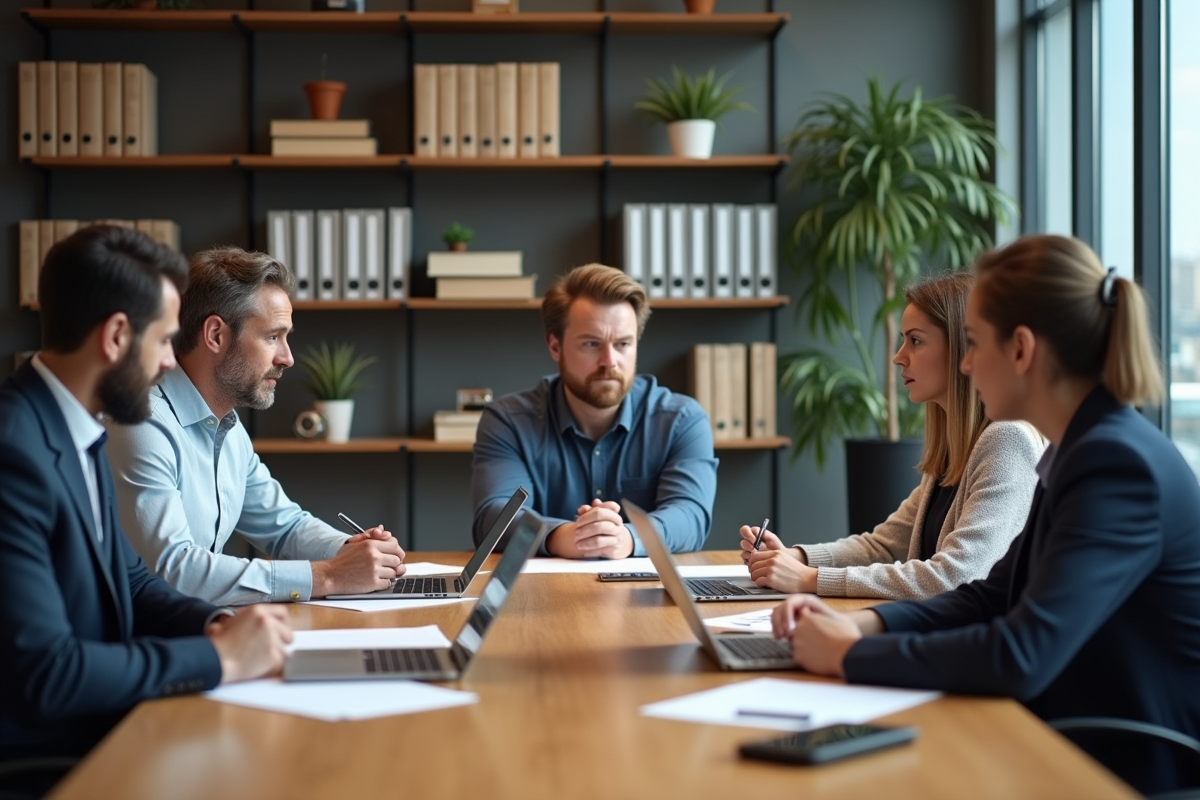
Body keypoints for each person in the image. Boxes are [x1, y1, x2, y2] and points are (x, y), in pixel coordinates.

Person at [769, 235, 1200, 794]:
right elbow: (990, 595)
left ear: (1021, 350)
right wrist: (861, 625)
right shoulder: (1079, 448)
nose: (966, 364)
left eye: (973, 344)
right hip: (1066, 734)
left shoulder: (1115, 463)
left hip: (1122, 765)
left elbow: (1021, 654)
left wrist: (852, 654)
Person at [0, 226, 292, 773]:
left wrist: (213, 625)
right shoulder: (15, 452)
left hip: (100, 723)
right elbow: (46, 673)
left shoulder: (72, 430)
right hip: (47, 754)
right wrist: (218, 658)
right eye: (162, 340)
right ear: (115, 337)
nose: (167, 364)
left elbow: (130, 580)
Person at [106, 247, 405, 606]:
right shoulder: (142, 423)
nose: (288, 357)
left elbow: (285, 527)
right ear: (216, 335)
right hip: (141, 647)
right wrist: (330, 575)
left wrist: (352, 550)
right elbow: (173, 570)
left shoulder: (228, 430)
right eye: (272, 337)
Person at [738, 272, 1044, 599]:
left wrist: (810, 578)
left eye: (915, 340)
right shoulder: (954, 450)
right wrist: (793, 558)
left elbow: (957, 575)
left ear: (960, 347)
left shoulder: (1007, 441)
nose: (899, 357)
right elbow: (884, 546)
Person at [471, 263, 717, 558]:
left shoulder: (681, 420)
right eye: (592, 343)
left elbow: (690, 515)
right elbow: (495, 515)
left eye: (623, 344)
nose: (609, 361)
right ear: (555, 346)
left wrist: (627, 538)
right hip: (540, 599)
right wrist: (565, 536)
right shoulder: (507, 421)